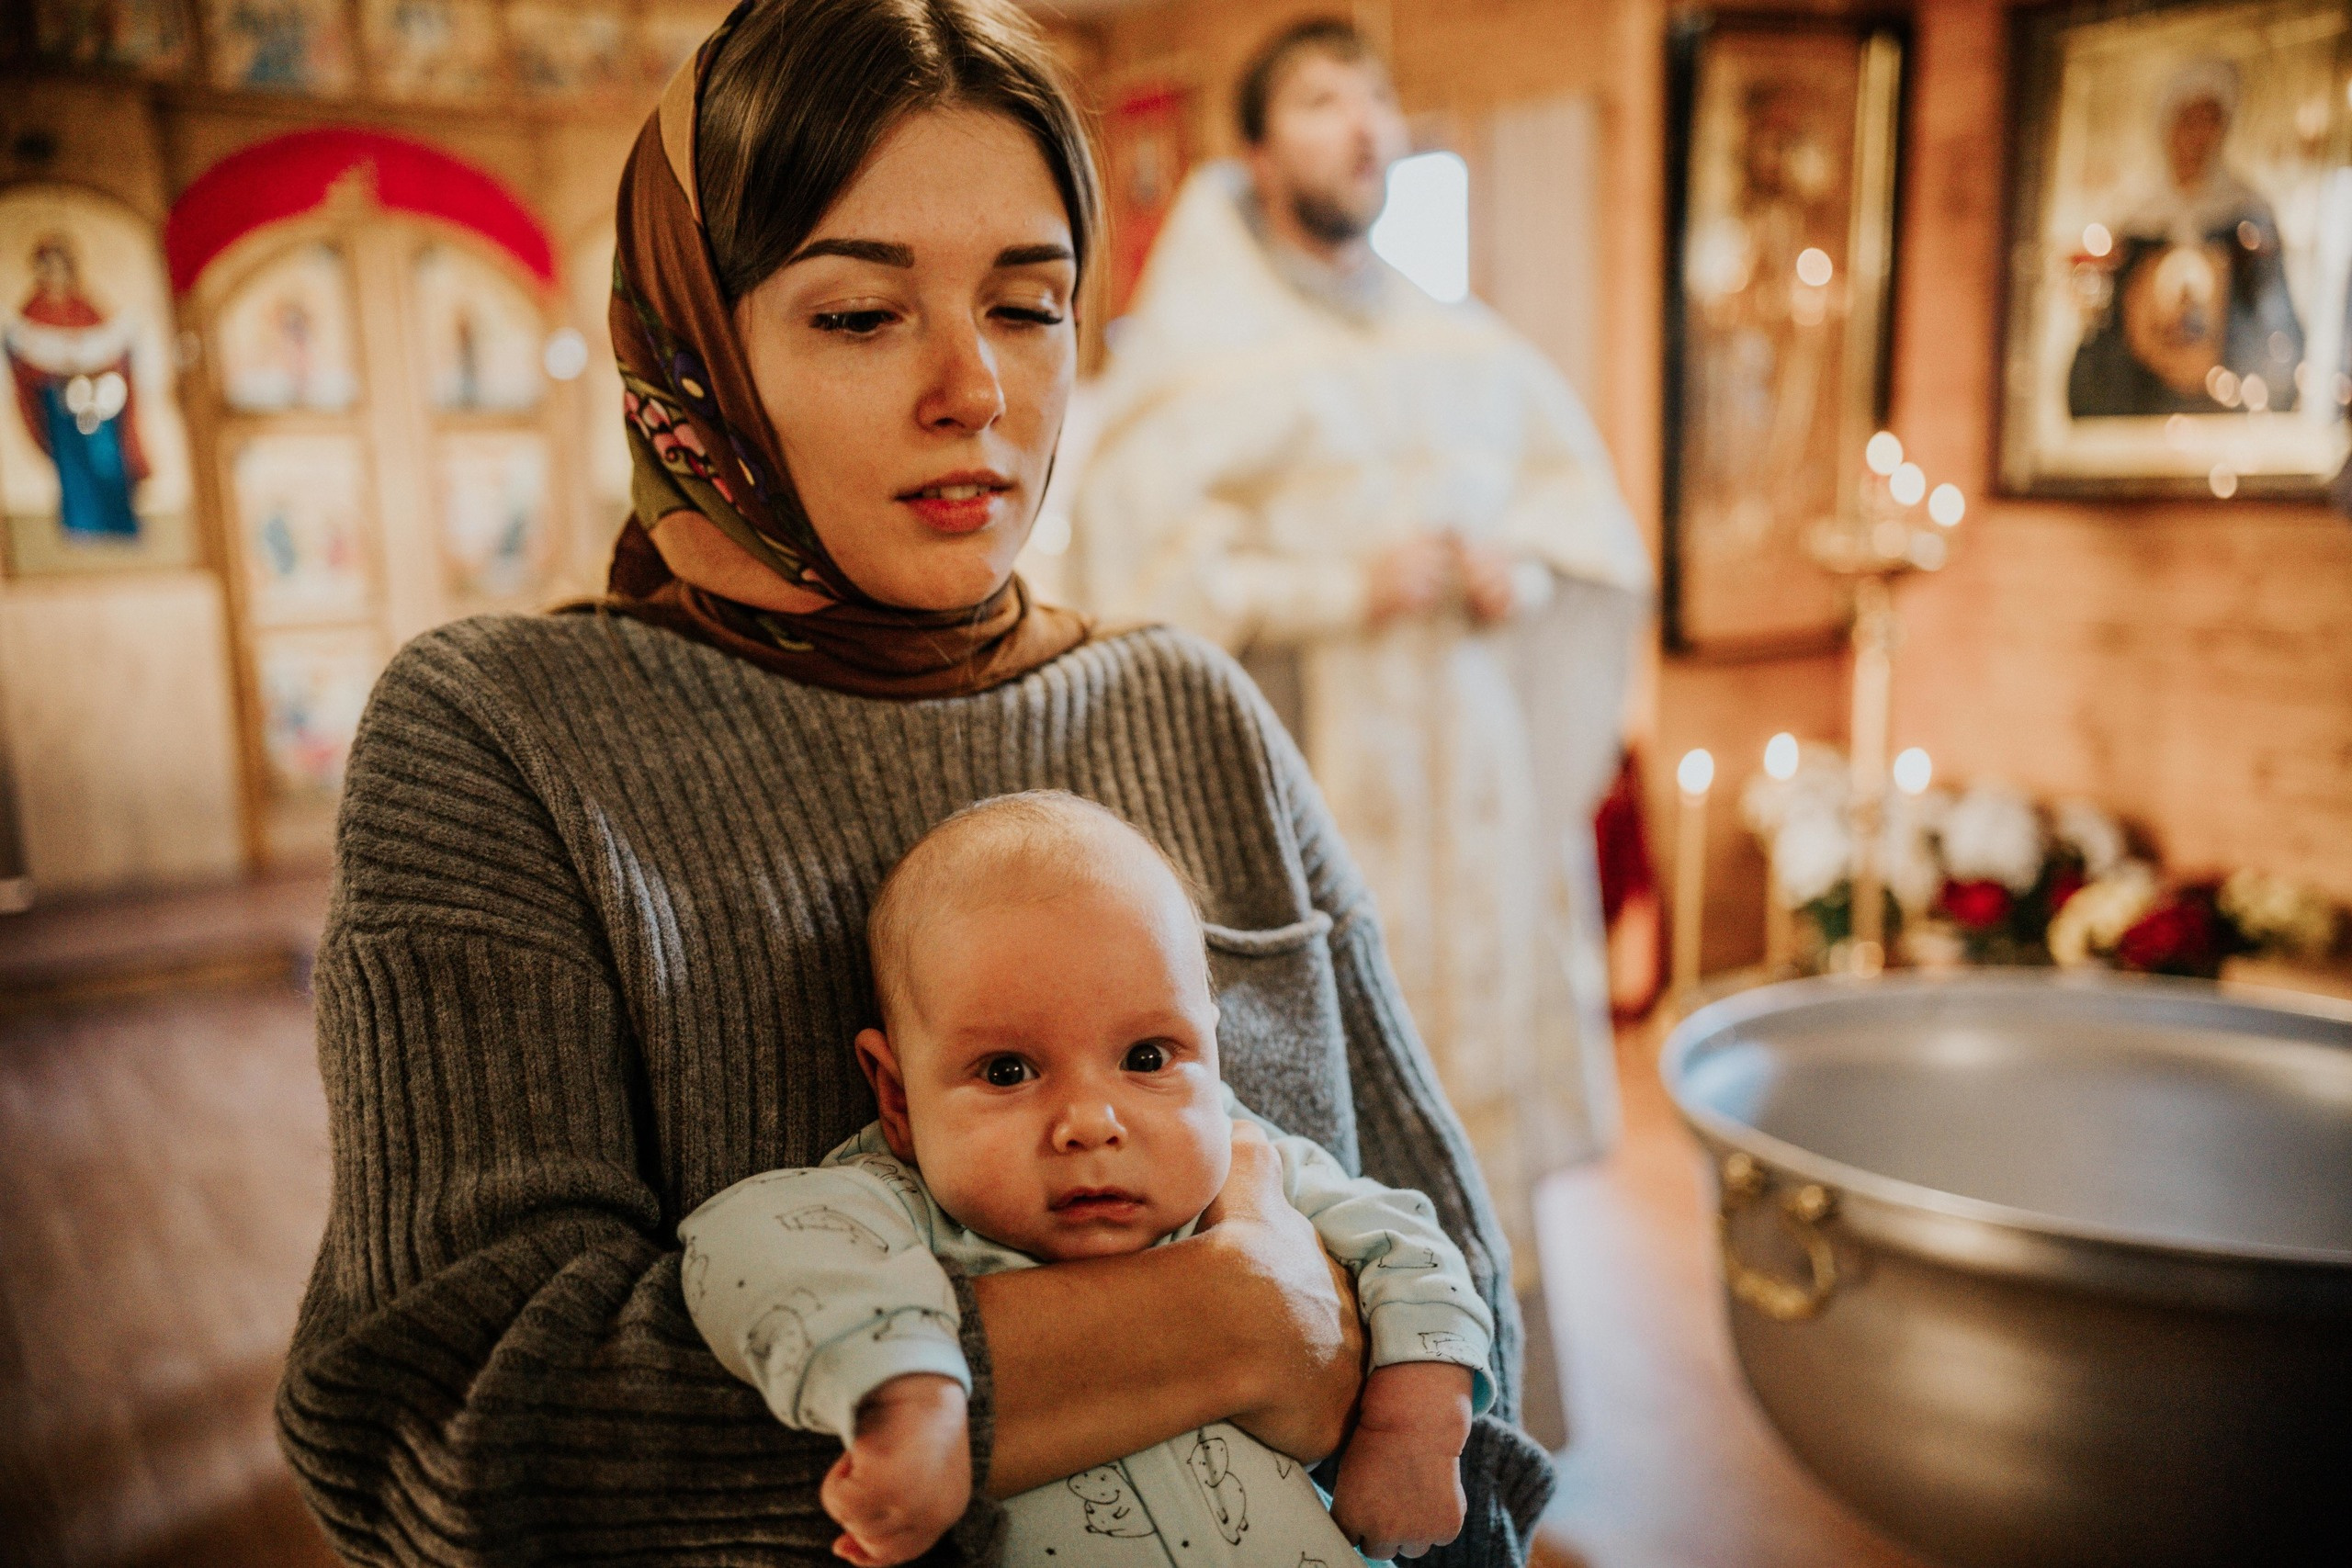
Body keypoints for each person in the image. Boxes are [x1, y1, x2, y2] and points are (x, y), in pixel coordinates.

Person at [273, 2, 1555, 1563]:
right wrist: (1234, 1328)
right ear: (696, 339)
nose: (976, 391)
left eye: (1028, 307)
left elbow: (1465, 1329)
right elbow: (457, 1440)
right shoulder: (504, 742)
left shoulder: (1186, 709)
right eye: (859, 316)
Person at [1075, 17, 1651, 1277]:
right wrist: (1342, 583)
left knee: (1470, 1107)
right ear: (1258, 147)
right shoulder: (1200, 354)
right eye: (1326, 99)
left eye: (1378, 99)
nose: (1364, 126)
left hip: (1475, 801)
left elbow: (1587, 523)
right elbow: (1133, 575)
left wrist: (1529, 569)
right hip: (1307, 780)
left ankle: (1490, 1382)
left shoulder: (1459, 340)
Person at [682, 791, 1492, 1566]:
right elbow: (748, 1237)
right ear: (896, 1094)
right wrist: (908, 1390)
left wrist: (1414, 1426)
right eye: (1006, 1070)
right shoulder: (893, 1209)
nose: (1090, 1122)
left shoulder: (1254, 1168)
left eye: (1146, 1057)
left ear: (1215, 1054)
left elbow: (1412, 1245)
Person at [2068, 57, 2304, 418]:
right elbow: (2110, 320)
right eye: (2188, 120)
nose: (2198, 135)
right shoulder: (2136, 217)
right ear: (2167, 125)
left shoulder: (2247, 211)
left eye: (2210, 121)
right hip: (2140, 398)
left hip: (2224, 400)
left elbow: (2270, 314)